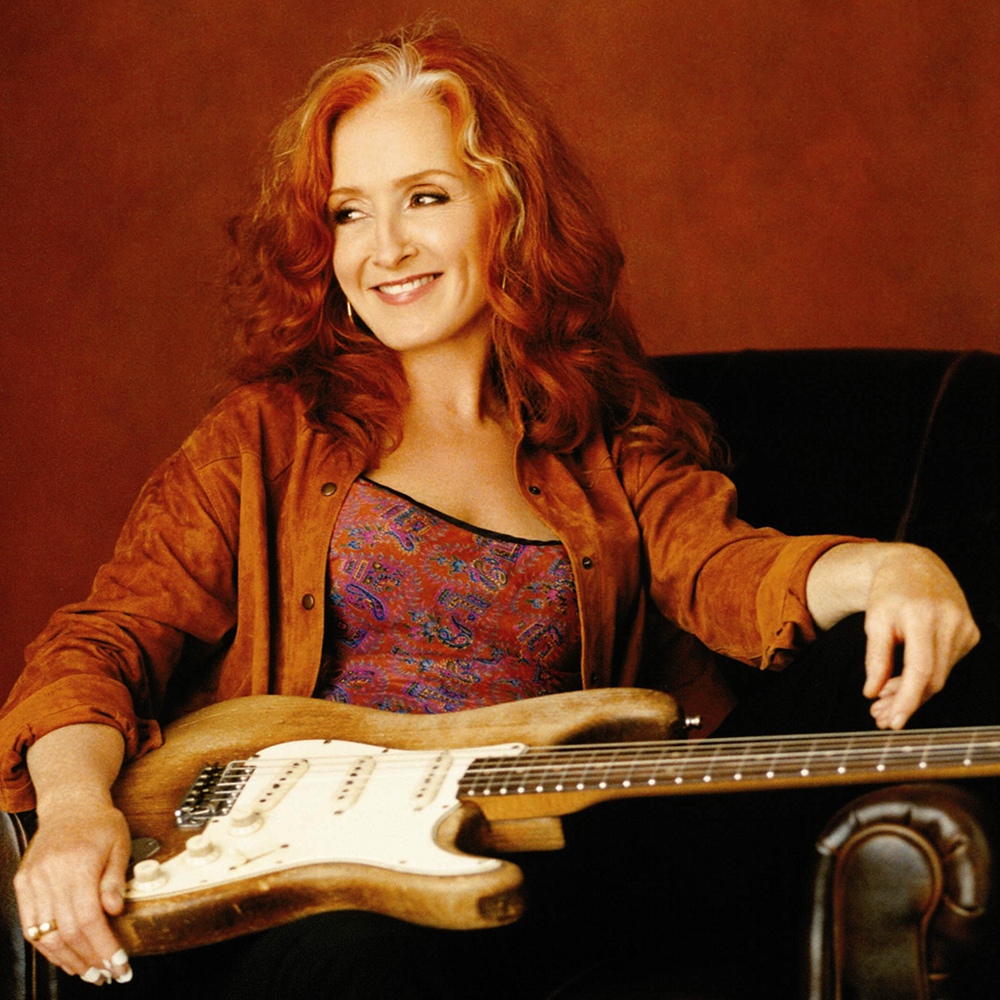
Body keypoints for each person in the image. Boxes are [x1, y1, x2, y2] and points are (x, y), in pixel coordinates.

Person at [0, 23, 982, 998]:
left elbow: (730, 568)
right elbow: (97, 646)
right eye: (348, 213)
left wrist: (891, 569)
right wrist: (76, 812)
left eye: (425, 197)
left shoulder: (603, 438)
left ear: (509, 211)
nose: (385, 248)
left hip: (544, 876)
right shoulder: (264, 436)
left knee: (919, 643)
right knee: (362, 962)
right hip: (312, 902)